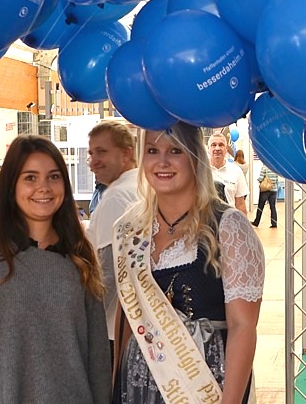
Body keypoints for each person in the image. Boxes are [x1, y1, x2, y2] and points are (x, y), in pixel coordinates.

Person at [0, 135, 111, 404]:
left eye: (54, 176)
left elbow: (98, 358)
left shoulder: (80, 258)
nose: (43, 187)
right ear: (11, 186)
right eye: (30, 178)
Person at [113, 122, 264, 404]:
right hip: (139, 382)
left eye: (175, 150)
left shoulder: (228, 226)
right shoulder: (130, 228)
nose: (162, 162)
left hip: (205, 384)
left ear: (195, 156)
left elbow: (242, 326)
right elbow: (127, 316)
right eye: (152, 151)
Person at [87, 121, 139, 353]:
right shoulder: (143, 185)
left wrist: (88, 322)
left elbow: (109, 272)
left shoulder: (116, 197)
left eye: (102, 152)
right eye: (91, 153)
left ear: (126, 153)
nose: (94, 161)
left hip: (114, 329)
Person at [207, 132, 248, 214]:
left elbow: (240, 205)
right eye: (213, 145)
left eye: (221, 145)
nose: (217, 148)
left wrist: (243, 221)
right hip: (205, 220)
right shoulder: (199, 170)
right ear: (208, 149)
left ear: (226, 149)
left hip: (228, 219)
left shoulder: (236, 171)